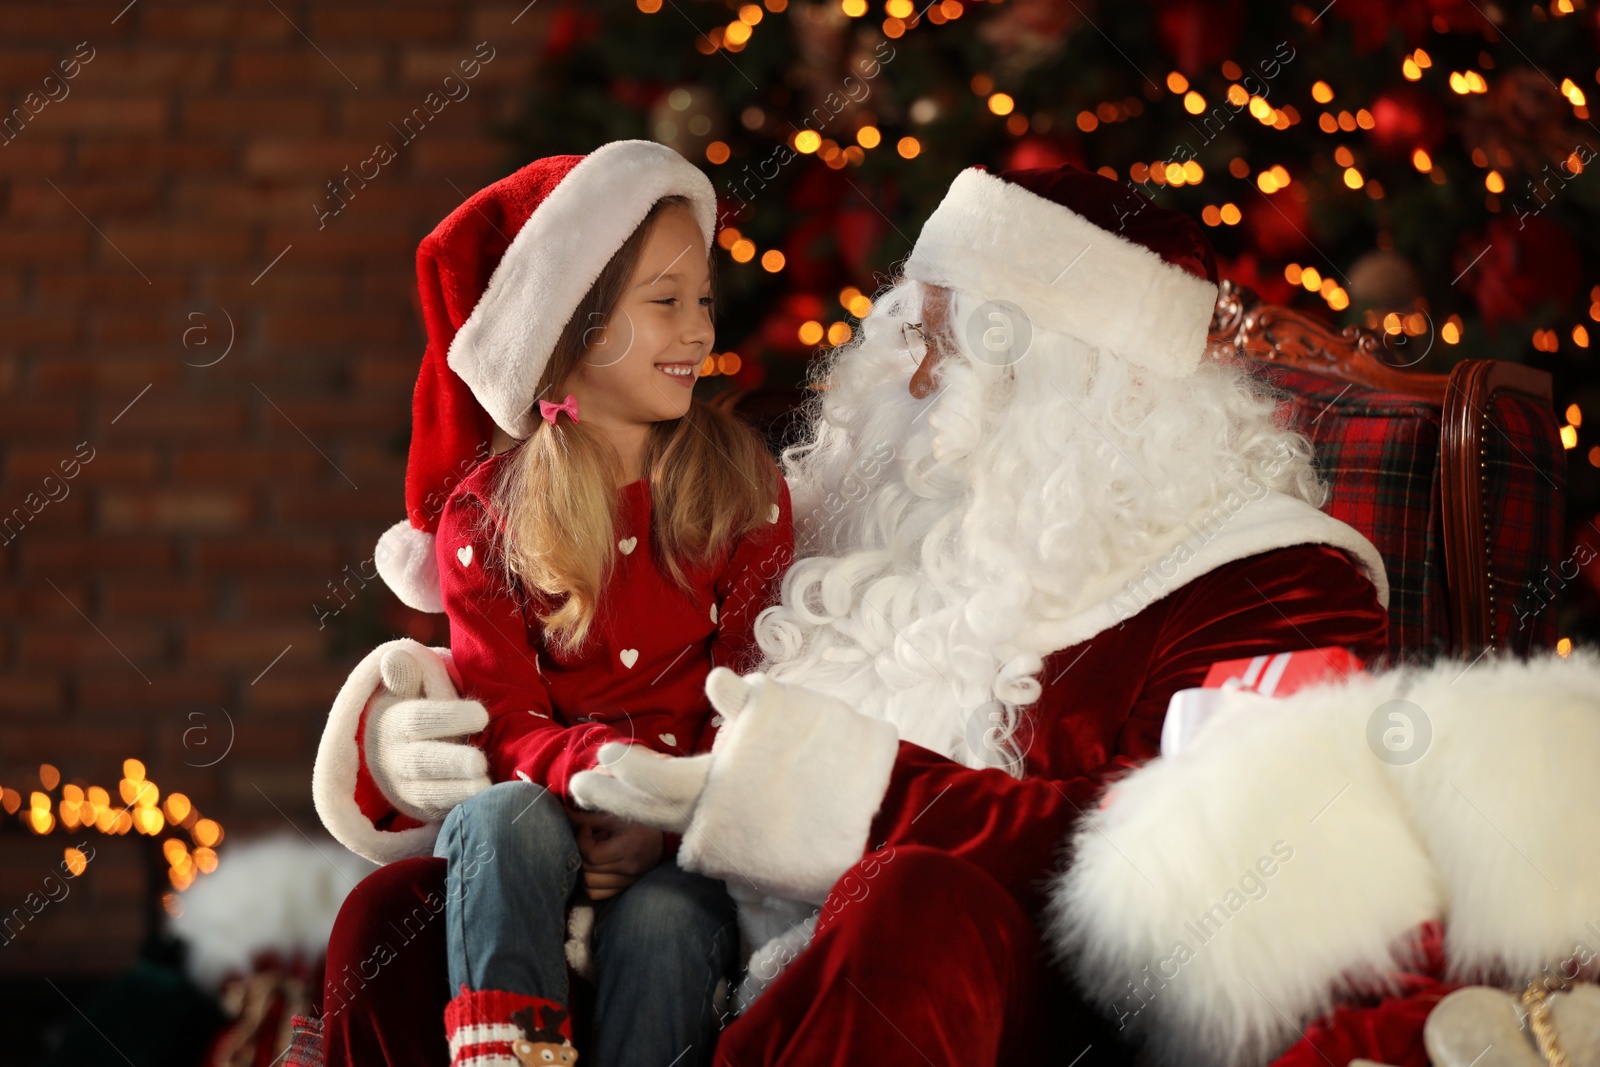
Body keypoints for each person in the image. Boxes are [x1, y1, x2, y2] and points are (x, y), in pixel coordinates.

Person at [312, 161, 1395, 1065]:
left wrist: (811, 792)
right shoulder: (824, 513)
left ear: (1081, 387)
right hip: (679, 957)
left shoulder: (1260, 577)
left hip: (968, 1000)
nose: (899, 376)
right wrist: (418, 735)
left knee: (918, 902)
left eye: (943, 343)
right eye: (900, 333)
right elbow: (594, 653)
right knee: (392, 922)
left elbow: (1215, 862)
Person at [311, 140, 794, 1067]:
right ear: (572, 325)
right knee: (498, 819)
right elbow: (501, 710)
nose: (698, 329)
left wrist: (664, 809)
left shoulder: (742, 490)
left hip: (683, 840)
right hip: (536, 812)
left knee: (662, 925)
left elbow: (758, 682)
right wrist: (587, 771)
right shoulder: (487, 517)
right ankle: (504, 1052)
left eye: (702, 299)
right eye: (665, 301)